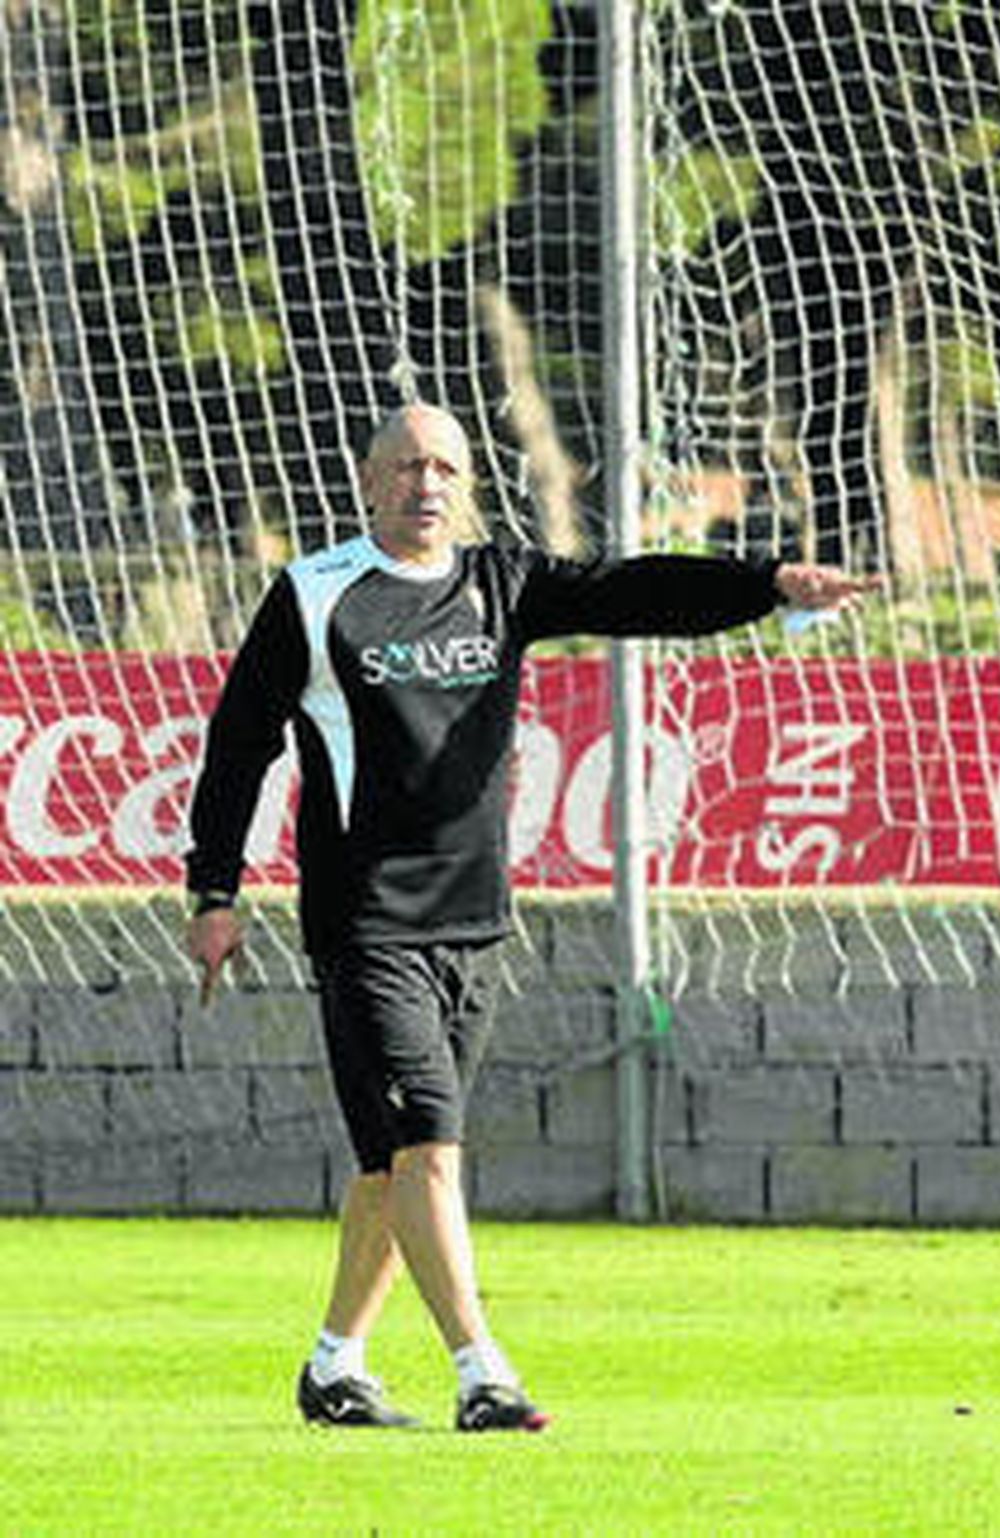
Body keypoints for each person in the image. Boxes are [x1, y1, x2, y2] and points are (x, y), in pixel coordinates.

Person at [185, 402, 877, 1432]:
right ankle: (482, 1369)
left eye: (447, 466)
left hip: (475, 919)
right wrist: (214, 889)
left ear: (466, 482)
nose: (429, 483)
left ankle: (335, 1365)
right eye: (408, 466)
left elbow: (630, 589)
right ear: (368, 481)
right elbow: (239, 743)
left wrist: (766, 582)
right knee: (430, 1137)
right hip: (365, 919)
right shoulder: (313, 596)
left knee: (391, 1163)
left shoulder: (498, 582)